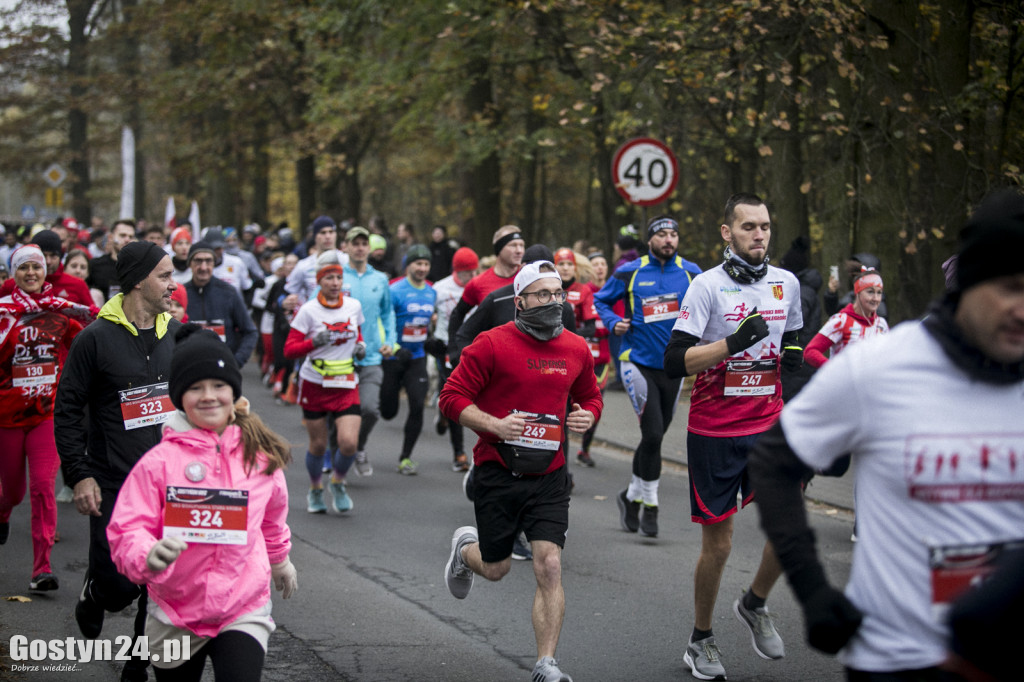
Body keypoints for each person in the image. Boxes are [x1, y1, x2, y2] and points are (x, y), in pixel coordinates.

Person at [747, 187, 1024, 680]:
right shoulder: (881, 367)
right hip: (899, 659)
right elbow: (773, 463)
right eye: (1010, 286)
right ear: (971, 281)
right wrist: (812, 588)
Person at [662, 193, 803, 679]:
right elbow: (675, 360)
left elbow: (793, 337)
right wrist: (731, 344)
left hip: (769, 422)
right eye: (748, 227)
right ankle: (700, 639)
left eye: (764, 226)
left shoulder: (787, 283)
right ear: (727, 233)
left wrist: (793, 355)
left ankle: (755, 602)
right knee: (719, 546)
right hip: (715, 428)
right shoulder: (706, 287)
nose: (759, 235)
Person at [440, 261, 602, 682]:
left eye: (558, 294)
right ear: (520, 301)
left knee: (549, 565)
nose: (553, 302)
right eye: (543, 295)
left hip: (549, 474)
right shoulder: (491, 344)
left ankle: (545, 664)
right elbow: (450, 398)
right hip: (497, 470)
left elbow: (591, 396)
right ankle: (464, 550)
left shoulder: (575, 347)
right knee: (496, 569)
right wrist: (493, 425)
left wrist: (587, 416)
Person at [107, 325, 296, 681]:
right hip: (174, 609)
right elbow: (128, 528)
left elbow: (272, 518)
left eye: (219, 386)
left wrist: (280, 560)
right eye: (195, 388)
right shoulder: (158, 462)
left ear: (234, 393)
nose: (208, 396)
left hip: (243, 606)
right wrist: (147, 556)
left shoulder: (260, 455)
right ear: (180, 397)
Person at [55, 240, 182, 682]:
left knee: (159, 577)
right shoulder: (95, 338)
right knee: (118, 586)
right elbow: (68, 408)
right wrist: (79, 473)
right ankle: (95, 591)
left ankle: (136, 660)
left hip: (168, 480)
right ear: (138, 281)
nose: (173, 283)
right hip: (113, 479)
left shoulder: (176, 333)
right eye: (165, 275)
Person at [593, 215, 702, 538]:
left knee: (653, 437)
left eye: (673, 234)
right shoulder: (631, 270)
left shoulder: (692, 272)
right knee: (653, 434)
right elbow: (601, 299)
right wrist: (614, 321)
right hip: (636, 361)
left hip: (674, 366)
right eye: (662, 234)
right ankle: (650, 506)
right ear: (651, 240)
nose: (669, 239)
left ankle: (629, 497)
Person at [0, 245, 94, 591]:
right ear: (14, 274)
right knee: (12, 492)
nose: (31, 273)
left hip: (46, 416)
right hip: (6, 418)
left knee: (43, 488)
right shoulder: (3, 314)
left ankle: (42, 568)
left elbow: (89, 340)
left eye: (36, 268)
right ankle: (3, 513)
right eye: (23, 268)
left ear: (44, 273)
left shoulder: (62, 313)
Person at [284, 252, 365, 513]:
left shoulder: (353, 306)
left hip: (345, 381)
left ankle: (338, 483)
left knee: (349, 443)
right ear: (319, 281)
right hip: (315, 383)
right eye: (329, 278)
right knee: (318, 444)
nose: (335, 282)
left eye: (338, 278)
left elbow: (358, 332)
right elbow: (289, 349)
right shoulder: (309, 311)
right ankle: (315, 488)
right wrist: (312, 343)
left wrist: (360, 346)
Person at [339, 226, 396, 476]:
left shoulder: (380, 279)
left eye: (364, 243)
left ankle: (358, 447)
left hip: (372, 355)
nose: (360, 248)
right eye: (355, 243)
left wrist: (391, 342)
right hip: (339, 356)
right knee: (337, 412)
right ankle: (336, 453)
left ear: (369, 248)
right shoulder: (337, 277)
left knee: (370, 409)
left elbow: (387, 313)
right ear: (347, 247)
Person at [381, 244, 436, 475]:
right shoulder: (394, 290)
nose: (422, 268)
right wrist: (393, 347)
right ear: (408, 265)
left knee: (416, 405)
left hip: (417, 357)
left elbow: (426, 324)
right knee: (388, 410)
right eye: (418, 263)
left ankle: (405, 457)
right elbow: (383, 322)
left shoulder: (432, 292)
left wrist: (431, 340)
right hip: (394, 357)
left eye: (426, 264)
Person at [429, 246, 478, 472]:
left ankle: (443, 411)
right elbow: (427, 314)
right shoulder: (440, 288)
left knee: (462, 396)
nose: (472, 276)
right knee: (452, 392)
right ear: (458, 270)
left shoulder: (477, 287)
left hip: (469, 346)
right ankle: (459, 452)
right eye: (468, 272)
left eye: (474, 271)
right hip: (444, 345)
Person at [445, 225, 525, 359]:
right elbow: (457, 314)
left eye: (522, 245)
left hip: (523, 355)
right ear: (499, 249)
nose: (519, 251)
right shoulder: (478, 283)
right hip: (492, 358)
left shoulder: (528, 279)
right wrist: (454, 352)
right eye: (513, 245)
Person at [553, 248, 600, 467]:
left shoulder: (582, 291)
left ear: (575, 267)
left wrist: (566, 336)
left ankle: (582, 451)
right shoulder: (547, 288)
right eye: (560, 264)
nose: (565, 268)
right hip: (548, 355)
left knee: (575, 407)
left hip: (575, 355)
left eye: (568, 264)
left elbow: (590, 327)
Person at [183, 241, 259, 368]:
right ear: (189, 264)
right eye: (198, 261)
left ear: (215, 263)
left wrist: (235, 362)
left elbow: (250, 332)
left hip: (223, 369)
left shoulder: (228, 292)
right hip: (189, 368)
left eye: (208, 261)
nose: (203, 267)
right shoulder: (181, 294)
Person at [805, 268, 887, 368]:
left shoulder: (881, 324)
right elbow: (810, 351)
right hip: (843, 383)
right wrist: (835, 370)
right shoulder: (841, 321)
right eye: (870, 292)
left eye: (879, 293)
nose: (876, 298)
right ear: (858, 293)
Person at [578, 251, 612, 467]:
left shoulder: (613, 291)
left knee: (595, 404)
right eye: (595, 264)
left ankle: (584, 449)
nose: (599, 268)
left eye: (603, 263)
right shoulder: (582, 292)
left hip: (601, 361)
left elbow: (616, 323)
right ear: (588, 269)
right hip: (579, 358)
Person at [0, 230, 94, 306]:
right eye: (43, 256)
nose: (48, 262)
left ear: (60, 257)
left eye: (53, 256)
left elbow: (92, 319)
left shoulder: (77, 285)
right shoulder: (13, 285)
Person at [285, 216, 348, 305]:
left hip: (344, 315)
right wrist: (285, 302)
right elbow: (289, 292)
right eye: (323, 233)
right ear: (315, 236)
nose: (327, 236)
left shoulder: (347, 261)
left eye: (331, 232)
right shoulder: (303, 265)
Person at [87, 218, 137, 300]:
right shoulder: (95, 265)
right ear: (111, 237)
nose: (127, 239)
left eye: (131, 237)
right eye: (122, 235)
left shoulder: (139, 268)